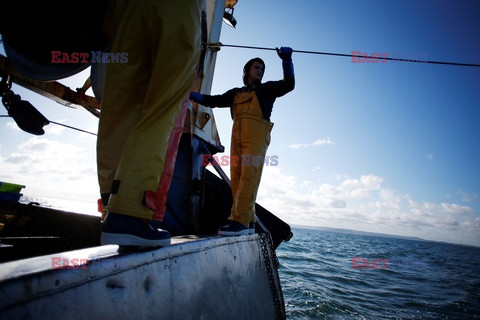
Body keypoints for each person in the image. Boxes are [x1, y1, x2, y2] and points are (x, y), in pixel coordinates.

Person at [98, 0, 202, 247]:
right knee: (161, 111)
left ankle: (113, 207)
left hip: (124, 10)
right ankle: (130, 212)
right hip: (176, 10)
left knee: (120, 108)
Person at [189, 47, 295, 236]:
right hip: (236, 136)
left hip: (256, 136)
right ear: (246, 71)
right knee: (237, 177)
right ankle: (249, 221)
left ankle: (239, 221)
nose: (260, 70)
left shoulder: (267, 89)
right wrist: (192, 95)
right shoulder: (236, 93)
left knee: (249, 175)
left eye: (262, 68)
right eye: (256, 67)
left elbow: (289, 84)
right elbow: (215, 100)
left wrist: (287, 61)